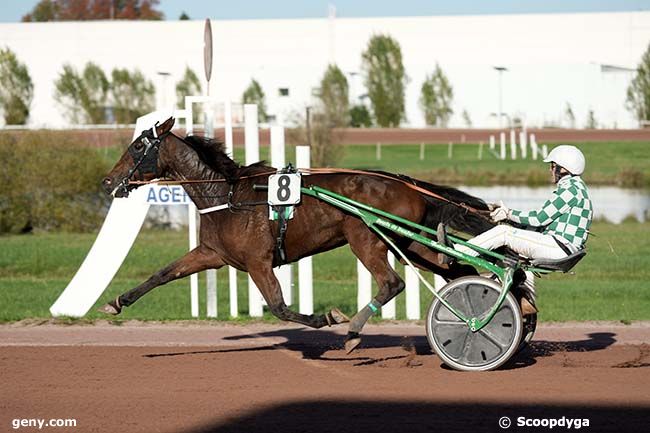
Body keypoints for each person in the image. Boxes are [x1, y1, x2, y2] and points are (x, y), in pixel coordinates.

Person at [447, 145, 593, 313]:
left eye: (552, 166)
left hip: (558, 247)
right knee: (511, 247)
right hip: (560, 246)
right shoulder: (576, 188)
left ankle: (455, 252)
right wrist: (511, 222)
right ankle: (523, 300)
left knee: (503, 234)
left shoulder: (570, 190)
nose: (550, 170)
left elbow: (539, 218)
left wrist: (508, 214)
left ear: (563, 168)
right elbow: (541, 224)